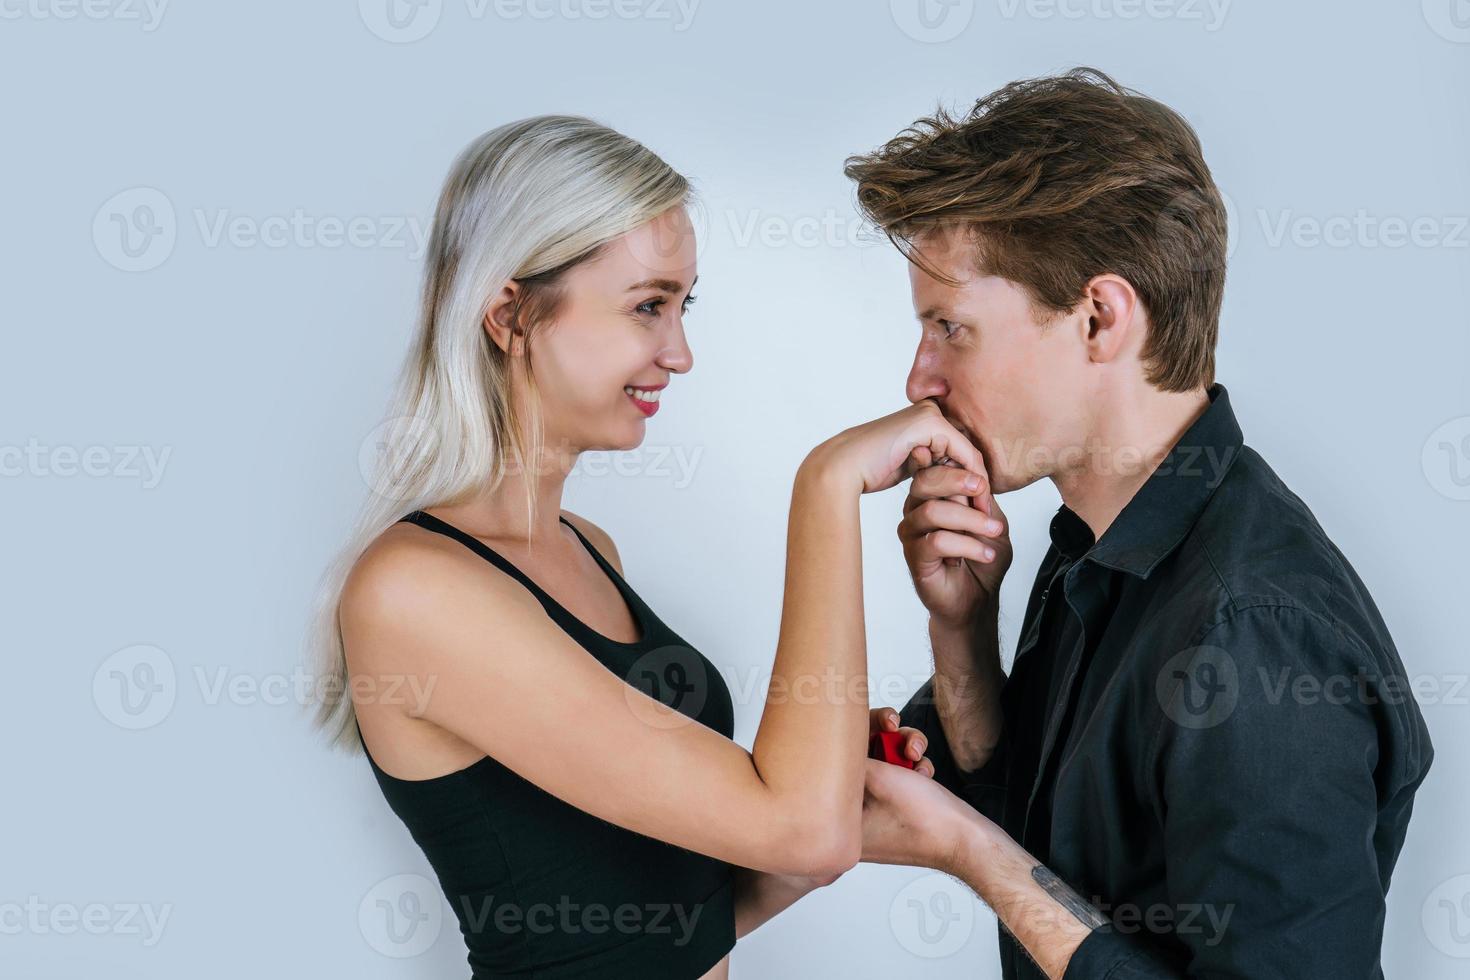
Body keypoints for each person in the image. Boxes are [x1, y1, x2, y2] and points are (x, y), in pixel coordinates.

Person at [308, 115, 971, 978]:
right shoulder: (412, 592)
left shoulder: (590, 551)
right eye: (647, 306)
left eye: (682, 306)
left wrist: (834, 809)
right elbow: (793, 827)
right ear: (510, 313)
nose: (680, 352)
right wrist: (827, 485)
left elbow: (649, 932)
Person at [848, 68, 1435, 979]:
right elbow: (1043, 836)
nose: (920, 379)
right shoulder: (1093, 545)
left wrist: (968, 853)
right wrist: (961, 632)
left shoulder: (1255, 634)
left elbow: (1008, 860)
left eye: (950, 327)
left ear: (1098, 318)